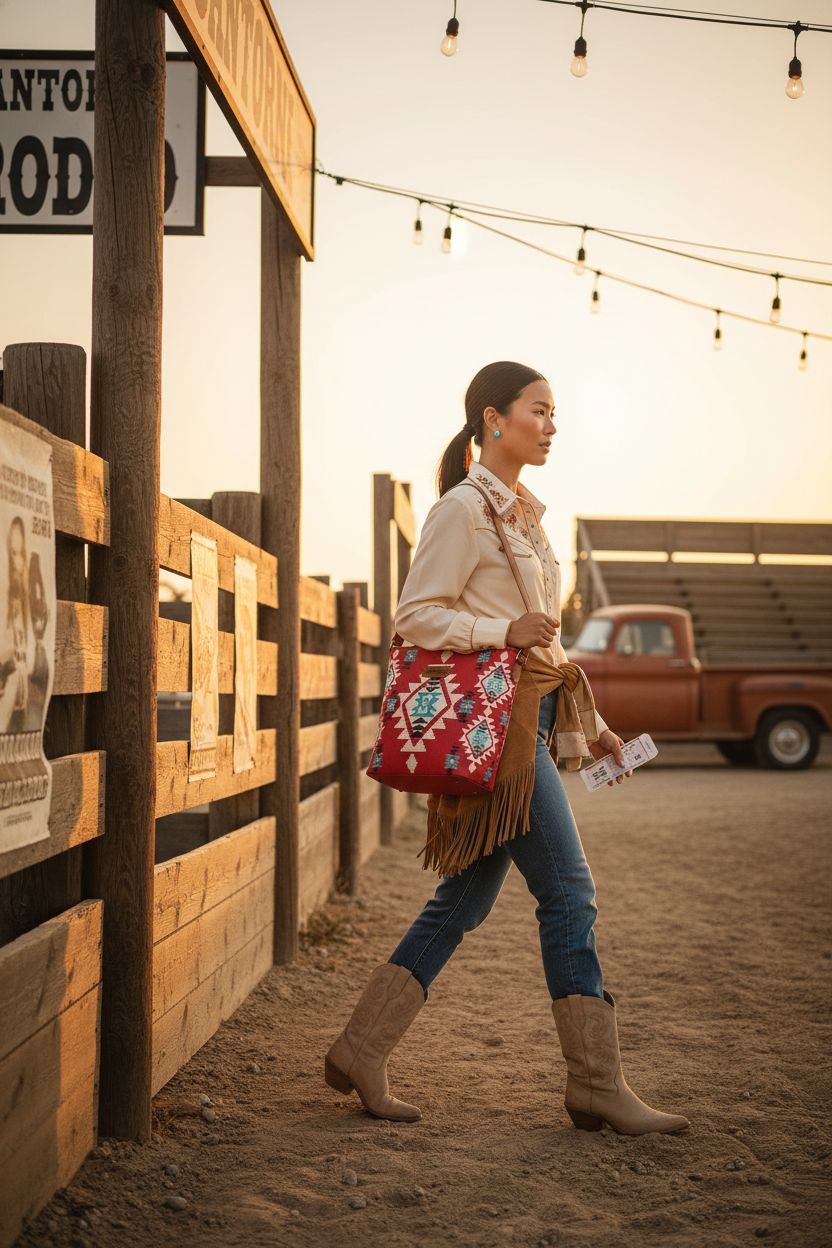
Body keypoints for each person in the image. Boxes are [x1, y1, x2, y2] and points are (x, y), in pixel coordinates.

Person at [325, 361, 690, 1137]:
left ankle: (361, 1049)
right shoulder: (464, 510)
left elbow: (542, 643)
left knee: (466, 897)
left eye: (555, 413)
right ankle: (595, 1084)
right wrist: (498, 632)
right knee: (570, 893)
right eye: (540, 410)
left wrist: (594, 730)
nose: (552, 424)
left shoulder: (524, 515)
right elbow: (416, 614)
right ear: (493, 419)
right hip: (496, 737)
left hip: (528, 720)